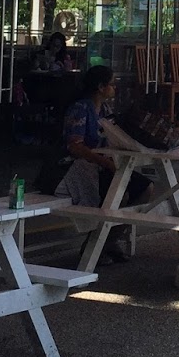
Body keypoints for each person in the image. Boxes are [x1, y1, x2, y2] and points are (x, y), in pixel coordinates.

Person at [53, 65, 149, 262]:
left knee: (145, 188)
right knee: (118, 195)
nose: (114, 88)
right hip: (80, 168)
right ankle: (94, 246)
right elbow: (75, 147)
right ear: (100, 87)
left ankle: (108, 240)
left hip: (104, 166)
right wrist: (105, 162)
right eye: (112, 84)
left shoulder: (105, 110)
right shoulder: (80, 109)